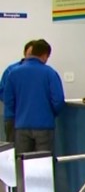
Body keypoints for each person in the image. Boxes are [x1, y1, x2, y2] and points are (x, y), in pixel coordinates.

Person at [4, 38, 65, 172]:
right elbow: (58, 100)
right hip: (44, 126)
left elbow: (7, 99)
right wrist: (51, 113)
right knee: (44, 166)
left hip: (21, 126)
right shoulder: (50, 73)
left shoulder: (13, 73)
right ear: (44, 55)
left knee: (23, 166)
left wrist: (19, 113)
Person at [0, 40, 36, 142]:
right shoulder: (11, 70)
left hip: (32, 119)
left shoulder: (42, 71)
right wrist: (18, 104)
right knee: (12, 148)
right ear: (24, 53)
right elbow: (2, 91)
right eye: (30, 54)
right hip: (13, 117)